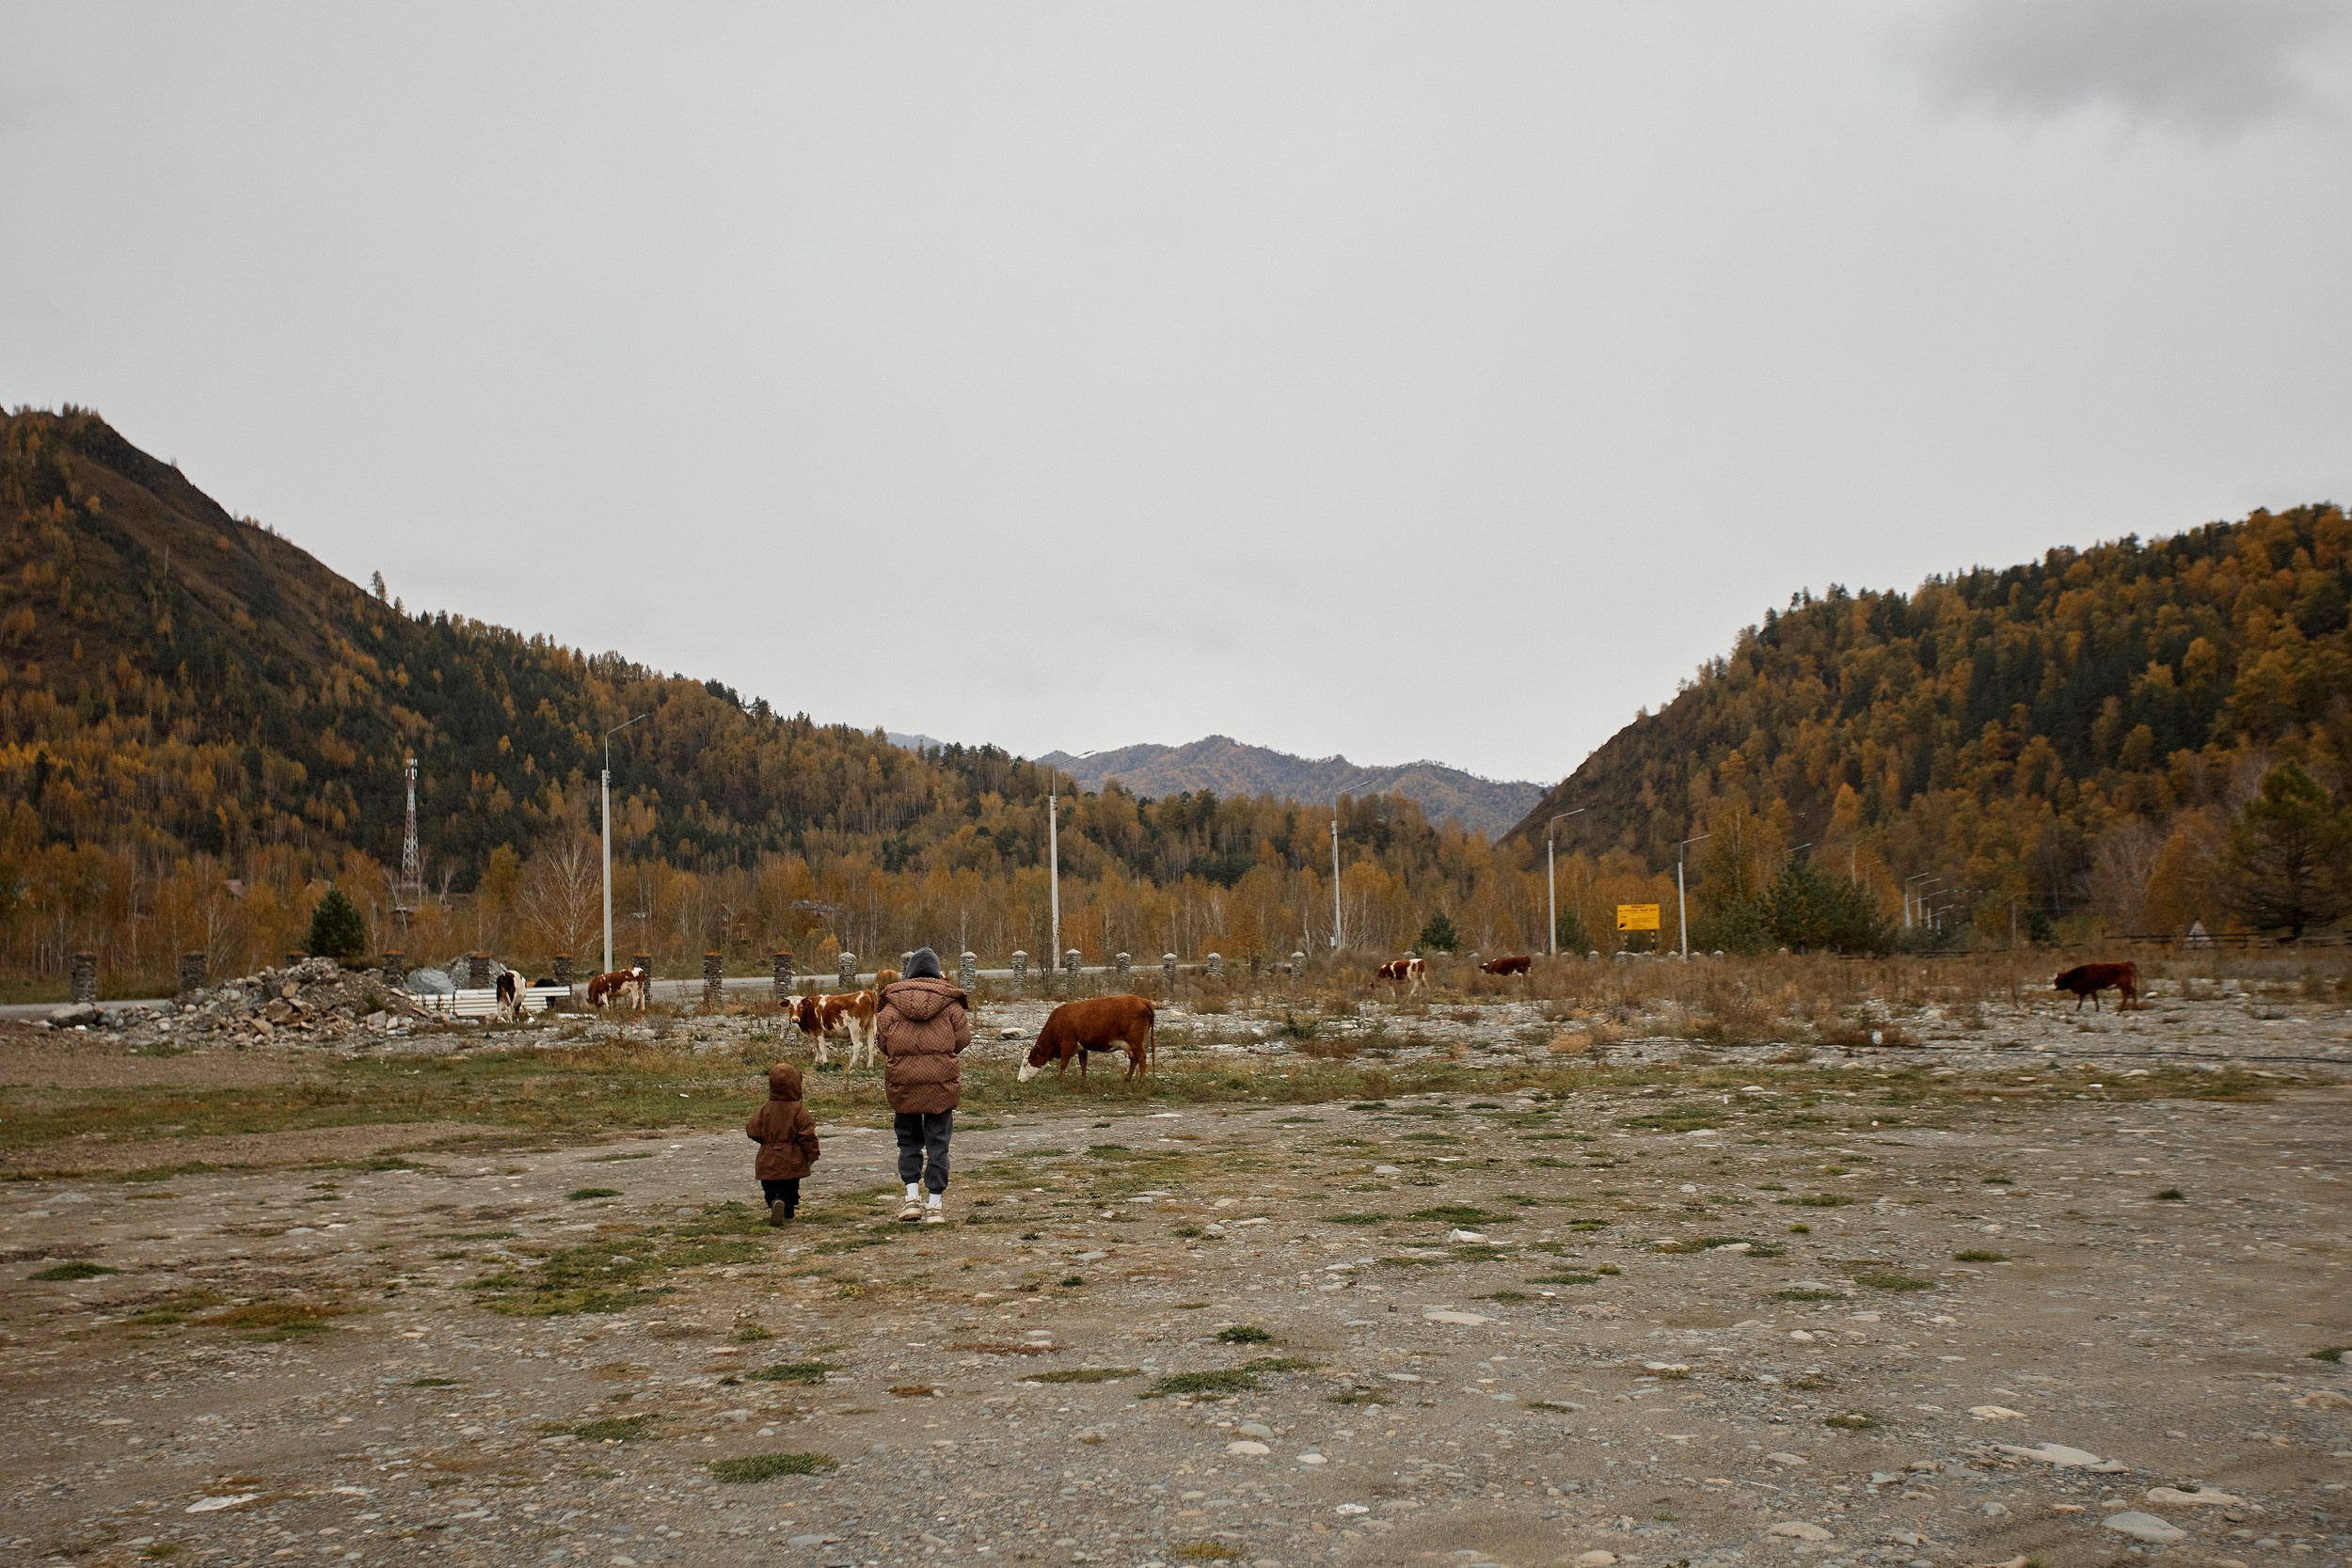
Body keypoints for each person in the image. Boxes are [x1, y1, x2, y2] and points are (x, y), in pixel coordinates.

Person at [875, 946, 970, 1223]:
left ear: (910, 973)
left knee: (908, 1141)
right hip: (941, 1084)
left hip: (903, 1084)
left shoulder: (891, 1004)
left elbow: (883, 1042)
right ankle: (936, 1205)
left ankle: (911, 1198)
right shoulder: (950, 1003)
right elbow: (963, 1040)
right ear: (936, 972)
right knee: (938, 1142)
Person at [744, 1060, 820, 1227]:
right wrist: (812, 1154)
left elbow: (752, 1130)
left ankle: (774, 1201)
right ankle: (788, 1211)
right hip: (791, 1160)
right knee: (791, 1188)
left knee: (770, 1187)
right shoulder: (798, 1110)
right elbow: (807, 1135)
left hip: (768, 1158)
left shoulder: (765, 1109)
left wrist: (766, 1141)